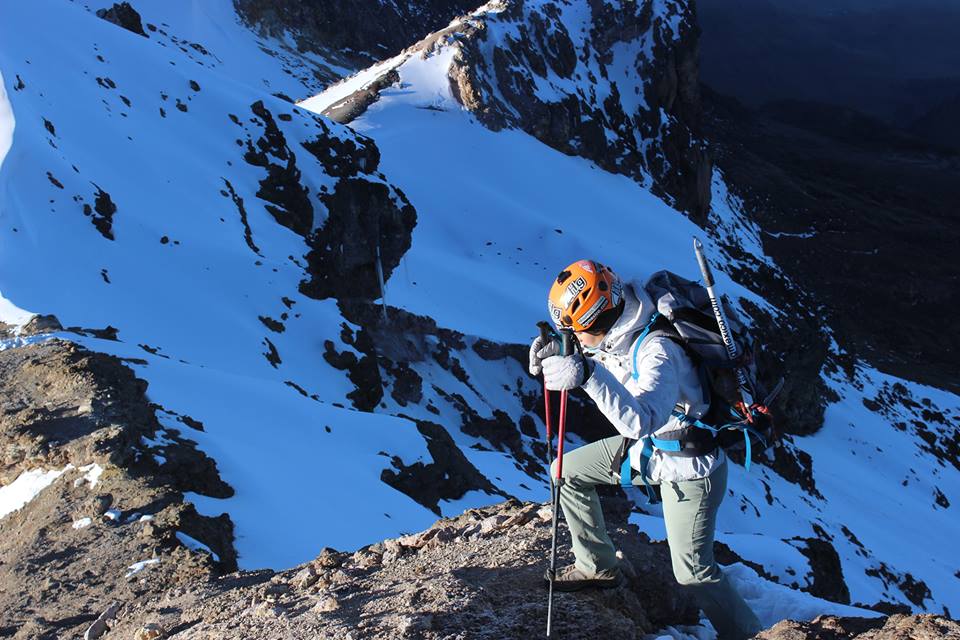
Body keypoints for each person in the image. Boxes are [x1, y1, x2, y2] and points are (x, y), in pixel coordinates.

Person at [529, 259, 762, 640]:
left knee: (693, 574)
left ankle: (750, 635)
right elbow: (603, 356)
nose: (572, 336)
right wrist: (559, 350)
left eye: (573, 330)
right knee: (565, 472)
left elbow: (640, 421)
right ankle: (596, 566)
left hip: (689, 467)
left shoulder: (657, 350)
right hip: (651, 452)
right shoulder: (620, 330)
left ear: (596, 321)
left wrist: (586, 376)